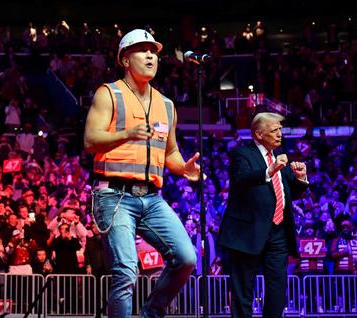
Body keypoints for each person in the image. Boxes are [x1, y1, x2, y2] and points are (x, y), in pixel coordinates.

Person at [84, 28, 200, 318]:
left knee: (186, 259)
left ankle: (151, 314)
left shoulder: (166, 105)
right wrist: (127, 133)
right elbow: (90, 140)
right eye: (142, 50)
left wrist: (183, 168)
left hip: (152, 199)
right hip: (113, 195)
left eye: (154, 51)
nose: (151, 55)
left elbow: (170, 153)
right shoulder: (108, 94)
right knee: (125, 271)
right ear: (125, 59)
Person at [218, 112, 308, 318]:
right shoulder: (242, 154)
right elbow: (241, 179)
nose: (280, 135)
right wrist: (270, 170)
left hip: (278, 233)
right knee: (243, 290)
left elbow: (286, 193)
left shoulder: (278, 158)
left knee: (277, 287)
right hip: (247, 232)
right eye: (275, 130)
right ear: (258, 134)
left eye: (280, 130)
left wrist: (301, 179)